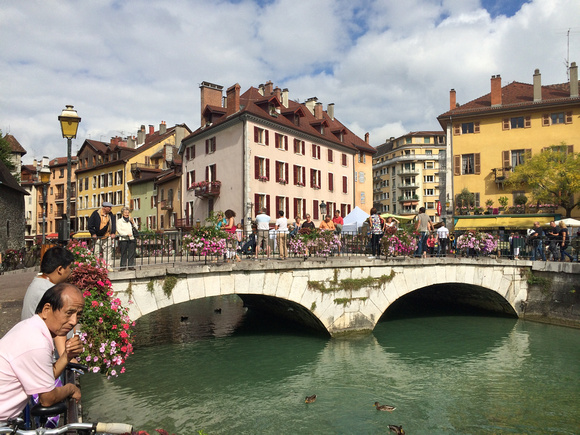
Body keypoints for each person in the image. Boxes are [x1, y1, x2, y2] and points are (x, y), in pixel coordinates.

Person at [0, 283, 84, 423]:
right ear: (46, 310)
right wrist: (70, 388)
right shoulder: (37, 342)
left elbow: (44, 377)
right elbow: (47, 399)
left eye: (78, 314)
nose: (74, 321)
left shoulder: (30, 327)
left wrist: (67, 356)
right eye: (69, 313)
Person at [88, 201, 116, 270]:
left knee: (108, 252)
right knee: (97, 251)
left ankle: (107, 266)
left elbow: (113, 224)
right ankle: (96, 266)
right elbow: (90, 225)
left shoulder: (110, 215)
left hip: (107, 235)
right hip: (98, 236)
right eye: (109, 207)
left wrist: (113, 232)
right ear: (104, 208)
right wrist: (93, 233)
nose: (110, 209)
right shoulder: (95, 213)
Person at [116, 207, 138, 271]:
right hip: (123, 239)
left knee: (131, 253)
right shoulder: (119, 221)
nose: (127, 214)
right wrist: (126, 234)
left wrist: (133, 223)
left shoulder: (131, 220)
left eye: (128, 212)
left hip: (131, 238)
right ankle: (123, 266)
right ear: (122, 213)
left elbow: (136, 228)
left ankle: (131, 266)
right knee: (123, 253)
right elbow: (119, 230)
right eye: (125, 212)